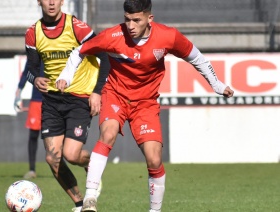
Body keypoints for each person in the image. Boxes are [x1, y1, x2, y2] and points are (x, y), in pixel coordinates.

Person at [56, 0, 235, 211]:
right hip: (116, 96)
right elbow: (80, 51)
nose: (130, 25)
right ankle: (90, 199)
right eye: (127, 19)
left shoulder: (168, 36)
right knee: (108, 133)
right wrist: (66, 76)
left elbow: (197, 58)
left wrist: (217, 84)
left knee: (154, 159)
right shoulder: (113, 36)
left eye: (136, 20)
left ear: (150, 19)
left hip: (146, 104)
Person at [23, 0, 110, 211]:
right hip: (52, 101)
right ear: (39, 1)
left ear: (62, 1)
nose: (51, 2)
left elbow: (105, 57)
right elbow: (30, 69)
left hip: (79, 98)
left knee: (71, 155)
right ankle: (80, 204)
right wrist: (35, 79)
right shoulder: (33, 33)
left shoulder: (78, 28)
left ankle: (91, 165)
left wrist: (97, 92)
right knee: (53, 159)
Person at [14, 62, 44, 179]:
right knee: (33, 135)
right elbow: (27, 70)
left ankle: (60, 167)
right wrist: (19, 90)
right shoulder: (35, 53)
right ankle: (32, 170)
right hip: (36, 100)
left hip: (54, 99)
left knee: (55, 136)